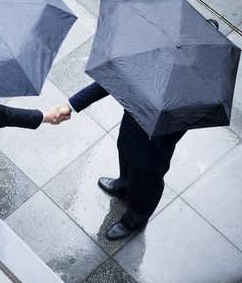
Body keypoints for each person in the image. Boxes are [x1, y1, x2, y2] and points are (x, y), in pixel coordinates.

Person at [55, 82, 186, 240]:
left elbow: (170, 134)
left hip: (154, 146)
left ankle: (135, 220)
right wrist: (72, 104)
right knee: (125, 159)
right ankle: (124, 186)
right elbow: (113, 79)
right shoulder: (148, 59)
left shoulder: (191, 89)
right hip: (131, 128)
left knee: (146, 184)